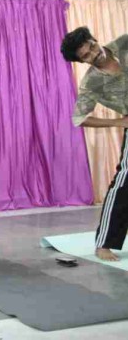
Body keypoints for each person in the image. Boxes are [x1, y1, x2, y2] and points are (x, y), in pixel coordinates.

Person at [61, 27, 128, 262]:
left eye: (91, 46)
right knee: (125, 181)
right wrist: (118, 122)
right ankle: (104, 243)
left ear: (94, 39)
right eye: (86, 55)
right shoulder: (91, 83)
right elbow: (79, 118)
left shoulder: (124, 43)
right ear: (82, 61)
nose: (94, 53)